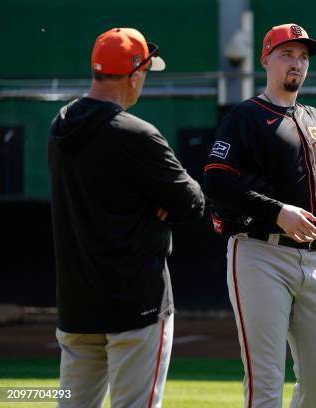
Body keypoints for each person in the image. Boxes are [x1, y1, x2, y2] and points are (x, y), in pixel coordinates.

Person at [204, 23, 316, 408]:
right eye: (287, 54)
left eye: (302, 57)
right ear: (265, 59)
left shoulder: (311, 117)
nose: (296, 63)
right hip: (260, 255)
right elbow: (216, 182)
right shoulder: (246, 117)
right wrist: (278, 212)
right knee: (265, 383)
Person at [47, 28, 205, 408]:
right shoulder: (137, 134)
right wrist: (157, 197)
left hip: (77, 306)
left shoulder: (59, 125)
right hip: (136, 305)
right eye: (145, 74)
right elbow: (193, 203)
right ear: (134, 75)